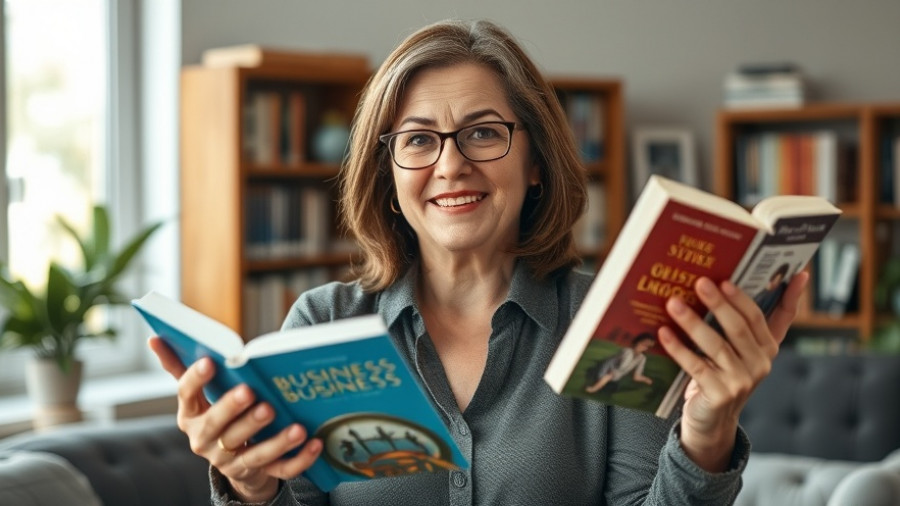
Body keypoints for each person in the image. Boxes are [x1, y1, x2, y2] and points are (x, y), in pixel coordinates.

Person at [150, 19, 808, 505]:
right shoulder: (322, 323)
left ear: (537, 164)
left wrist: (707, 432)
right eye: (417, 140)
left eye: (484, 132)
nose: (450, 164)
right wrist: (250, 486)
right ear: (389, 175)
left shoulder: (614, 320)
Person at [584, 332, 656, 394]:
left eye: (647, 346)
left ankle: (601, 386)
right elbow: (620, 366)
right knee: (608, 376)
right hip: (607, 369)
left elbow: (636, 377)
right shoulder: (627, 351)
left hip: (616, 376)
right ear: (637, 342)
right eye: (642, 344)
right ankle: (594, 388)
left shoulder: (642, 358)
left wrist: (646, 379)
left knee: (612, 379)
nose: (643, 347)